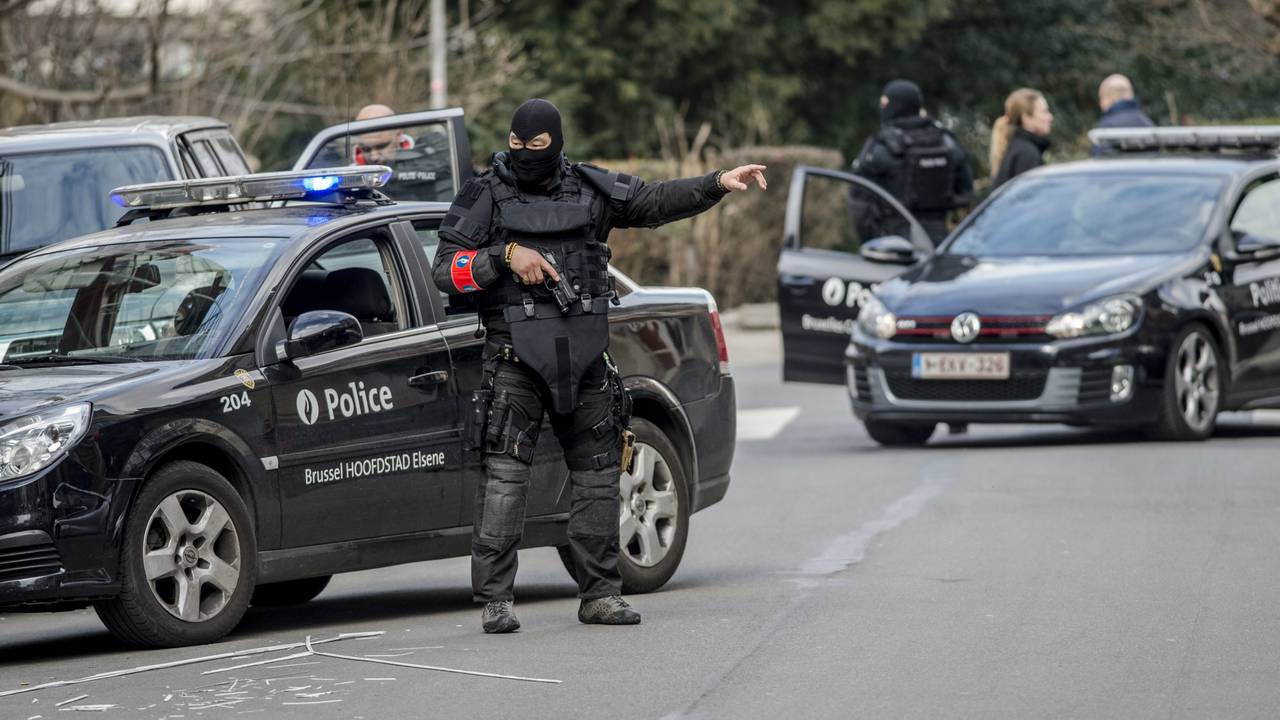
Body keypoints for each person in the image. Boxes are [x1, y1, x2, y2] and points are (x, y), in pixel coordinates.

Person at [433, 98, 766, 633]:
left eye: (535, 145)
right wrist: (505, 257)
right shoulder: (485, 194)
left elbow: (655, 201)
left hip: (584, 357)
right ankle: (496, 600)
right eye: (517, 144)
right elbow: (446, 271)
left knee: (598, 477)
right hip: (515, 360)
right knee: (505, 481)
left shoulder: (589, 188)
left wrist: (717, 183)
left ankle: (600, 595)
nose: (524, 153)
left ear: (555, 143)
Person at [850, 79, 974, 244]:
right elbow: (966, 192)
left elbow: (860, 205)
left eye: (884, 103)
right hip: (941, 241)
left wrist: (872, 244)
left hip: (894, 244)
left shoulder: (881, 147)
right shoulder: (946, 141)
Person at [351, 103, 454, 202]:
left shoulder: (430, 158)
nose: (374, 156)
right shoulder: (350, 172)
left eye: (382, 146)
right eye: (366, 149)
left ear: (399, 133)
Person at [990, 88, 1053, 190]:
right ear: (1026, 118)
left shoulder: (1016, 148)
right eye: (1044, 112)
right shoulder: (1026, 154)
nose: (1050, 117)